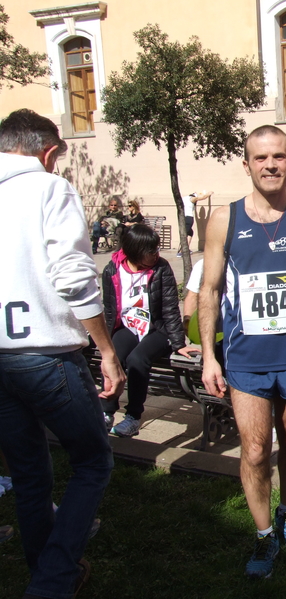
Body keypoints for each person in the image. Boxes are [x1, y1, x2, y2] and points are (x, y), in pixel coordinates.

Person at [199, 124, 286, 579]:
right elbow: (210, 289)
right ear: (246, 165)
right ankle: (263, 536)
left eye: (279, 156)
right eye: (260, 158)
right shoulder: (225, 218)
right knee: (256, 449)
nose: (270, 165)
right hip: (244, 360)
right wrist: (208, 355)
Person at [0, 108, 125, 598]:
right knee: (93, 462)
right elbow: (73, 274)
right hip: (46, 356)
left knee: (30, 473)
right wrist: (106, 349)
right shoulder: (49, 187)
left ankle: (49, 571)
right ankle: (52, 581)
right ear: (48, 152)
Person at [101, 224, 195, 436]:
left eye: (157, 249)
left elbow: (170, 308)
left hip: (156, 329)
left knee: (137, 360)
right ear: (134, 251)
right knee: (114, 356)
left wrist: (178, 343)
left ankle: (133, 417)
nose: (156, 254)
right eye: (151, 251)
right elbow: (108, 309)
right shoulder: (112, 270)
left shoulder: (161, 268)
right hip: (127, 326)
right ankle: (106, 413)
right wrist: (104, 340)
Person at [180, 189, 213, 257]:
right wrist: (208, 194)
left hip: (182, 218)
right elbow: (201, 198)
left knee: (190, 232)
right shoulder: (191, 199)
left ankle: (186, 249)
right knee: (185, 234)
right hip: (188, 218)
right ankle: (181, 251)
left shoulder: (184, 199)